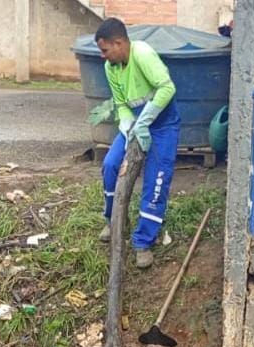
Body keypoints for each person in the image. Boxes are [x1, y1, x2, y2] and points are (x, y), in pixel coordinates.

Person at [95, 17, 180, 269]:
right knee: (111, 165)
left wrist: (147, 120)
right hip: (135, 124)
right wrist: (127, 123)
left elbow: (167, 88)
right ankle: (113, 220)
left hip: (162, 124)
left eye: (105, 50)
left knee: (157, 180)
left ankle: (143, 241)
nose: (103, 56)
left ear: (119, 43)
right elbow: (121, 103)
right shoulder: (111, 67)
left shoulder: (142, 54)